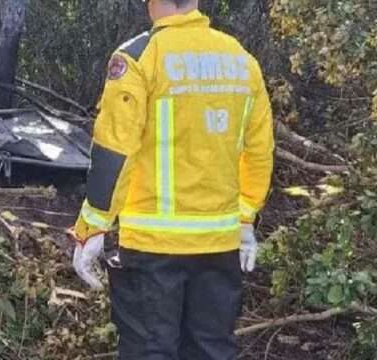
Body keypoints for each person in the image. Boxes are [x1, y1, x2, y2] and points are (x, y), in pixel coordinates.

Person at [69, 0, 275, 359]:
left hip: (153, 247)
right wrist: (245, 219)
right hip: (219, 244)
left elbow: (116, 150)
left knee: (151, 351)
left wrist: (93, 227)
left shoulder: (138, 57)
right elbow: (258, 151)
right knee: (212, 351)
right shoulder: (241, 60)